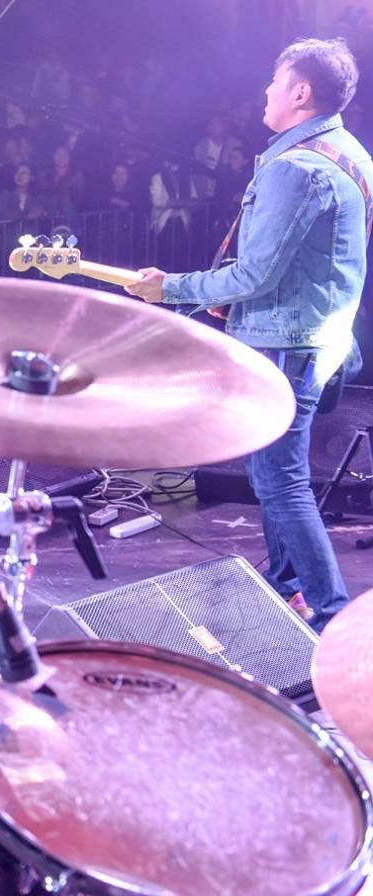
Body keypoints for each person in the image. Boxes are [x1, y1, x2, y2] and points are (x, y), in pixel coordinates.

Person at [128, 39, 366, 630]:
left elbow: (256, 275)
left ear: (300, 93)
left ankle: (331, 617)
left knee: (281, 481)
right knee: (273, 475)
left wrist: (171, 288)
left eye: (275, 81)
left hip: (286, 343)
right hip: (320, 336)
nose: (266, 91)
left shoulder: (294, 168)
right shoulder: (348, 153)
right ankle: (287, 588)